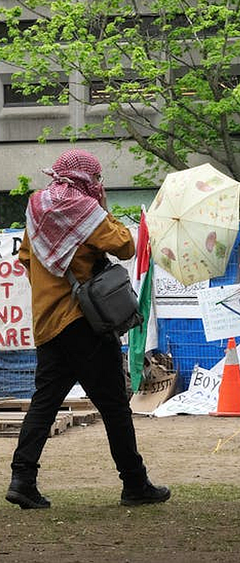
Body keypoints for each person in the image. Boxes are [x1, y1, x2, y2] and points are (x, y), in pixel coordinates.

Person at [6, 150, 170, 510]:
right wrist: (103, 208)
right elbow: (126, 246)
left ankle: (22, 480)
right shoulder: (85, 210)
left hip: (49, 324)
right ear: (87, 179)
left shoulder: (37, 207)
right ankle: (134, 483)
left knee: (44, 403)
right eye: (96, 179)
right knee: (114, 406)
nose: (97, 184)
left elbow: (26, 259)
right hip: (85, 324)